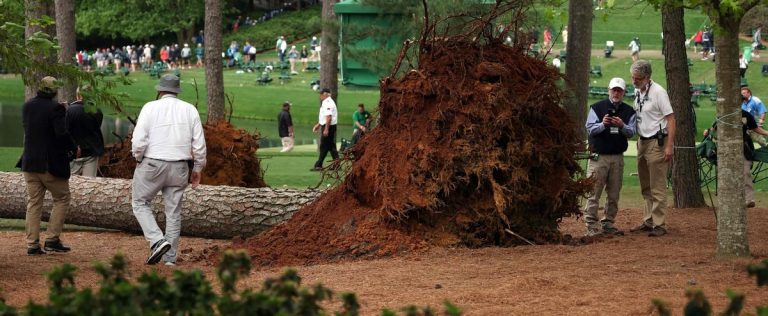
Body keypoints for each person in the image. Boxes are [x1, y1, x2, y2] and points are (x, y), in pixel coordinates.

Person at [131, 74, 207, 265]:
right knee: (173, 212)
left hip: (153, 164)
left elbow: (139, 139)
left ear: (160, 90)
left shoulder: (150, 107)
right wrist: (197, 167)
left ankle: (157, 240)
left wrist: (138, 157)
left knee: (140, 203)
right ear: (177, 90)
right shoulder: (190, 110)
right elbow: (199, 144)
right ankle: (170, 259)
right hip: (180, 166)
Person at [17, 76, 77, 255]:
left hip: (29, 162)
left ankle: (32, 244)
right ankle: (51, 239)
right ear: (54, 91)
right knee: (62, 198)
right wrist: (74, 147)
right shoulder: (56, 108)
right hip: (49, 164)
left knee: (34, 203)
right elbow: (61, 134)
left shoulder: (27, 106)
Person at [583, 78, 637, 237]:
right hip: (598, 157)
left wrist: (622, 126)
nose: (616, 93)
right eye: (614, 90)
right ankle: (591, 224)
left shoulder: (629, 112)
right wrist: (603, 124)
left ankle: (608, 223)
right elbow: (590, 129)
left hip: (617, 157)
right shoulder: (597, 108)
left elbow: (632, 132)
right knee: (594, 192)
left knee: (614, 193)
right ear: (608, 90)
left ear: (624, 93)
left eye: (619, 90)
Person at [629, 60, 676, 237]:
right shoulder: (637, 91)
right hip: (642, 142)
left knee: (657, 185)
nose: (634, 81)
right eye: (632, 77)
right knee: (645, 185)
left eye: (638, 78)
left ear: (647, 77)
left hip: (658, 142)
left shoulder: (659, 93)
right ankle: (648, 220)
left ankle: (659, 224)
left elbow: (671, 119)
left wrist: (669, 146)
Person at [704, 110, 768, 208]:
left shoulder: (746, 115)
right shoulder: (724, 113)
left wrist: (767, 133)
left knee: (745, 172)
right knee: (726, 173)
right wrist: (708, 132)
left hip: (745, 148)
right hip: (725, 148)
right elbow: (713, 129)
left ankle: (749, 199)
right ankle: (728, 198)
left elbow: (755, 129)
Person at [66, 86, 104, 177]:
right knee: (89, 183)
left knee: (71, 182)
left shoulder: (69, 111)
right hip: (92, 151)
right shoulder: (97, 111)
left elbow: (66, 131)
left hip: (74, 152)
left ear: (78, 95)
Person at [311, 88, 338, 171]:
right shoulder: (326, 102)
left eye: (321, 94)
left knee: (323, 146)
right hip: (328, 125)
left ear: (325, 94)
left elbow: (329, 117)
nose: (320, 96)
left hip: (328, 126)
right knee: (331, 146)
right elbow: (324, 116)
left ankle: (318, 164)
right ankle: (337, 164)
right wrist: (319, 124)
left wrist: (326, 129)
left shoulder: (328, 103)